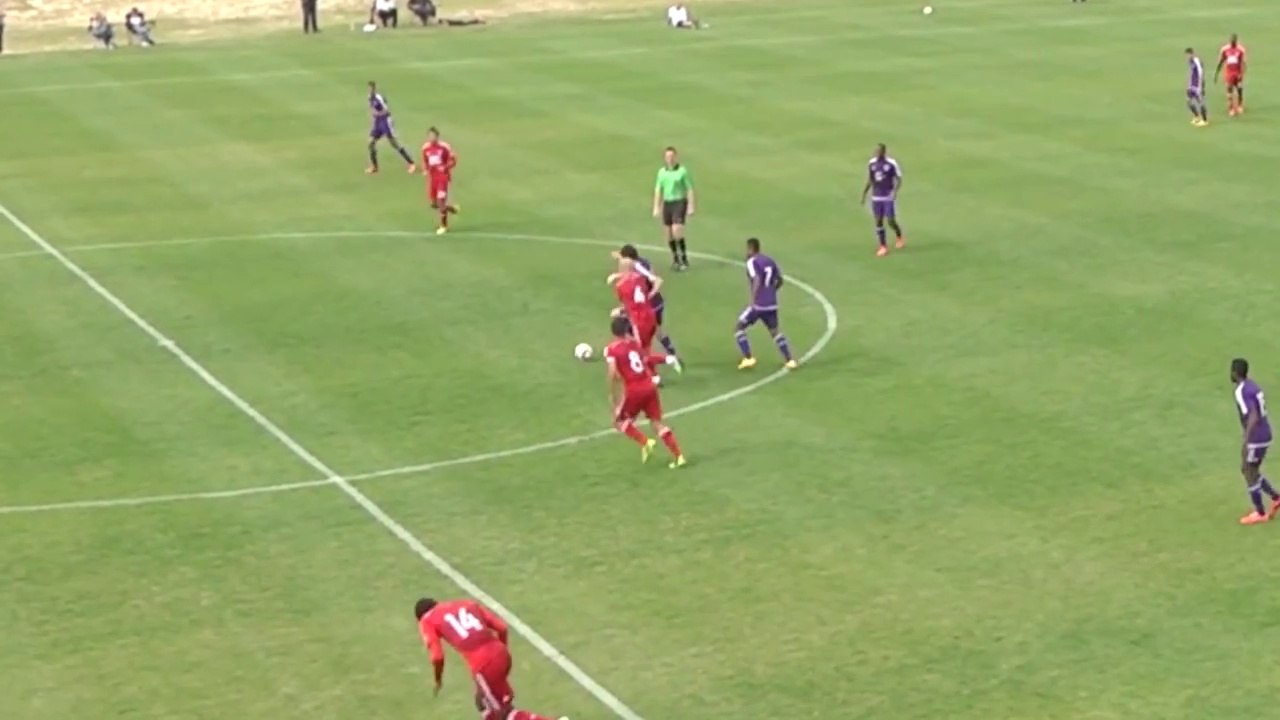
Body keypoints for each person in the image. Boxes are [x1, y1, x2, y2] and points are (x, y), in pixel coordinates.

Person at [414, 598, 568, 720]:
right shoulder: (466, 604)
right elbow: (502, 628)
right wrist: (502, 652)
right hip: (500, 652)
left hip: (483, 665)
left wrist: (438, 679)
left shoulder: (427, 620)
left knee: (504, 714)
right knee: (482, 701)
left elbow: (437, 656)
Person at [604, 315, 686, 468]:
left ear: (614, 332)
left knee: (619, 422)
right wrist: (667, 359)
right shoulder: (634, 345)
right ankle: (679, 457)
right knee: (657, 423)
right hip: (649, 386)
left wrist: (613, 394)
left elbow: (612, 374)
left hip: (634, 390)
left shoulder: (612, 350)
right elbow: (647, 359)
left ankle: (646, 442)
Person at [735, 238, 796, 371]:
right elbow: (780, 280)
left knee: (739, 327)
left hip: (758, 305)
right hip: (771, 304)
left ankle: (748, 358)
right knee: (775, 332)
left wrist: (753, 298)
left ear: (751, 249)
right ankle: (790, 360)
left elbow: (757, 278)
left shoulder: (752, 262)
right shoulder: (769, 260)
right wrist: (771, 292)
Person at [1231, 359, 1278, 525]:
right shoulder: (1253, 385)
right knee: (1250, 469)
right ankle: (1276, 497)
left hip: (1256, 438)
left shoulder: (1241, 391)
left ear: (1235, 373)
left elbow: (1253, 415)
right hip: (1266, 434)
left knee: (1249, 472)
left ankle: (1260, 512)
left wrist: (1247, 436)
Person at [616, 244, 679, 358]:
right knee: (657, 330)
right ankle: (671, 352)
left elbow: (657, 281)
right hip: (657, 303)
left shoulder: (636, 271)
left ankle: (637, 359)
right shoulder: (644, 262)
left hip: (647, 306)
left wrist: (649, 295)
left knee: (633, 331)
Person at [652, 147, 694, 270]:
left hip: (679, 202)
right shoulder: (661, 172)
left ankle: (684, 258)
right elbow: (658, 190)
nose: (670, 159)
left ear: (675, 157)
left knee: (677, 230)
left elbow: (689, 189)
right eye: (667, 157)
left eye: (672, 156)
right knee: (669, 234)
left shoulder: (682, 171)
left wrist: (691, 206)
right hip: (667, 203)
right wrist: (656, 207)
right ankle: (675, 259)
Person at [860, 143, 906, 257]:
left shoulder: (891, 163)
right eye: (876, 150)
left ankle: (899, 236)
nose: (877, 152)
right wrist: (864, 194)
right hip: (876, 197)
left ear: (884, 152)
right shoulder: (872, 163)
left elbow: (899, 179)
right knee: (878, 221)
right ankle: (883, 246)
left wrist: (895, 192)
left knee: (890, 220)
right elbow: (870, 179)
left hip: (888, 196)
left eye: (879, 151)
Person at [366, 82, 417, 175]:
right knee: (371, 143)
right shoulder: (370, 97)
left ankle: (411, 163)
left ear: (375, 88)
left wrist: (378, 114)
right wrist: (374, 119)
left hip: (385, 121)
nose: (370, 90)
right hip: (378, 122)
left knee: (394, 143)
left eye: (371, 89)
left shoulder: (379, 97)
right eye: (369, 89)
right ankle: (374, 167)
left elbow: (387, 110)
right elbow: (372, 108)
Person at [421, 127, 459, 234]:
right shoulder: (425, 148)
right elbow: (425, 161)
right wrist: (425, 170)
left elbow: (454, 160)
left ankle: (443, 225)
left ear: (437, 136)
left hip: (443, 177)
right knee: (434, 204)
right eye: (430, 136)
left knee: (440, 200)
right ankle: (450, 208)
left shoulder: (444, 147)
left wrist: (445, 167)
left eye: (433, 136)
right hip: (432, 178)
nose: (431, 138)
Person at [1215, 33, 1247, 116]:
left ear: (1236, 41)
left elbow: (1243, 63)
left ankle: (1240, 105)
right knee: (1229, 90)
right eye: (1231, 41)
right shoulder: (1225, 49)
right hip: (1229, 73)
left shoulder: (1240, 49)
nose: (1233, 42)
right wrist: (1216, 72)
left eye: (1234, 41)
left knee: (1239, 88)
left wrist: (1242, 73)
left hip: (1238, 72)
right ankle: (1231, 108)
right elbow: (1221, 61)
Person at [1184, 48, 1209, 127]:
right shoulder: (1190, 62)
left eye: (1188, 54)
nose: (1187, 56)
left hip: (1198, 85)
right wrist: (1189, 84)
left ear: (1192, 54)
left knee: (1200, 101)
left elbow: (1200, 72)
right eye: (1186, 55)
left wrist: (1200, 85)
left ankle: (1204, 120)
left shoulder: (1196, 61)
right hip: (1192, 85)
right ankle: (1197, 116)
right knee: (1188, 101)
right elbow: (1192, 73)